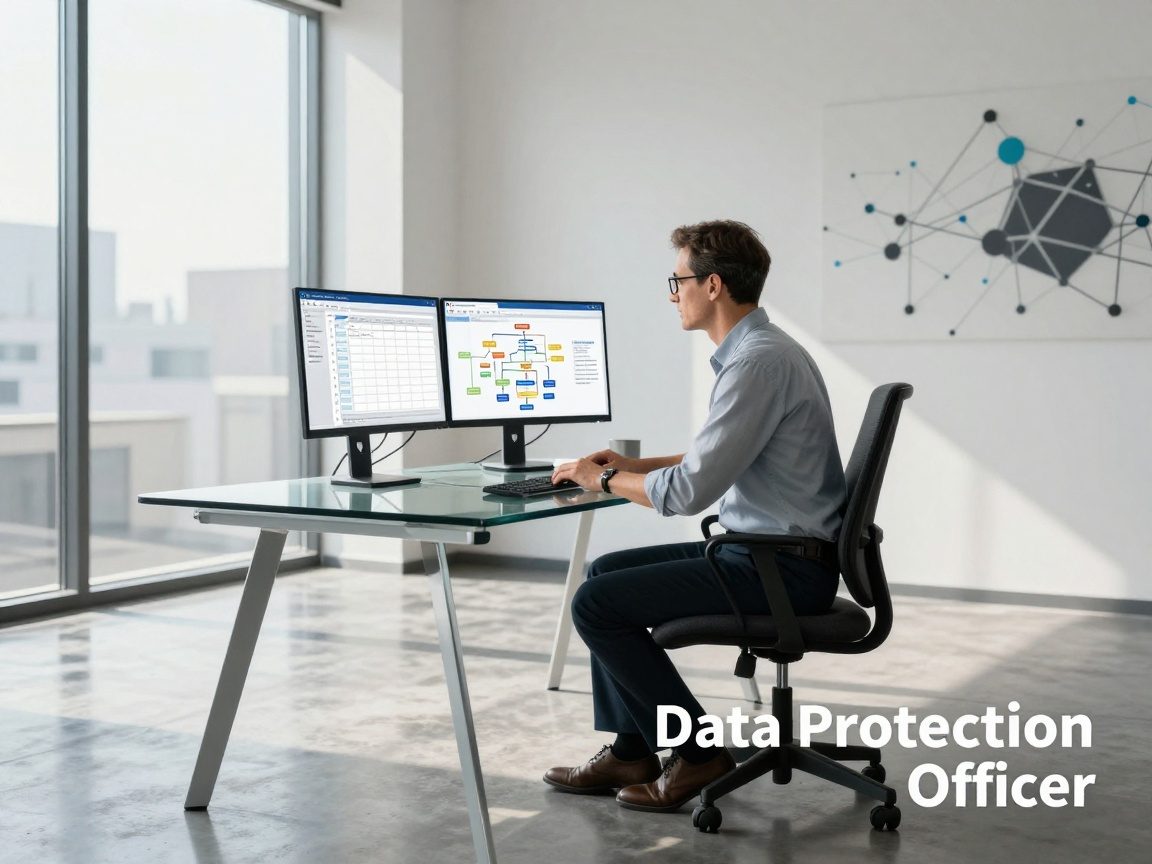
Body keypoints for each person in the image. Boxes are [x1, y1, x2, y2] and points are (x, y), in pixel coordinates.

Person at [545, 219, 847, 812]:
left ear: (712, 285)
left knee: (595, 606)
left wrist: (602, 478)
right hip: (770, 553)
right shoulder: (764, 353)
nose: (671, 294)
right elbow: (718, 456)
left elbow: (686, 493)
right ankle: (633, 748)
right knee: (604, 573)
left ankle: (700, 753)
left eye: (676, 280)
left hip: (780, 569)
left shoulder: (757, 363)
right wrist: (636, 463)